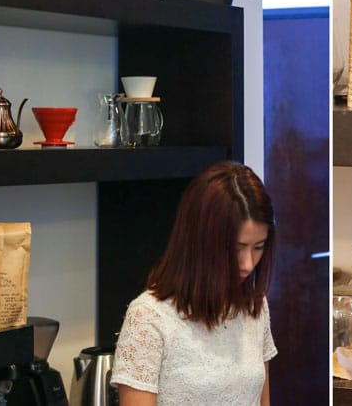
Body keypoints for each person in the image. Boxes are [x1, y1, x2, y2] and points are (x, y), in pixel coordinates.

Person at [111, 161, 277, 405]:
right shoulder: (148, 318)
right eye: (236, 248)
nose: (248, 264)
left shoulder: (254, 306)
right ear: (200, 242)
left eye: (258, 247)